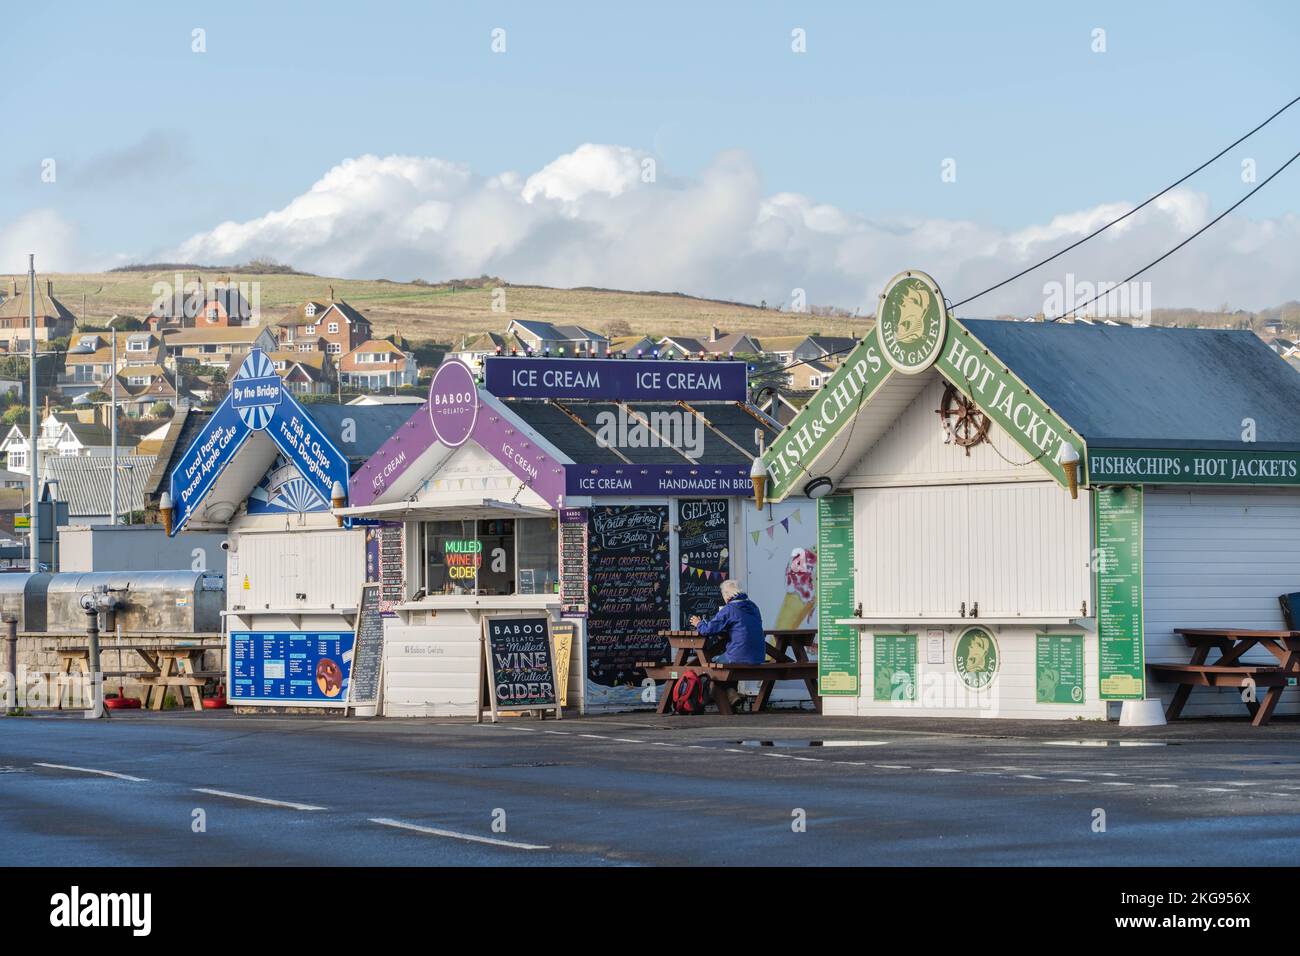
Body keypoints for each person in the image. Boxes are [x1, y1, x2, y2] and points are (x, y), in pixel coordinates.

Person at [689, 580, 766, 711]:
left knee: (715, 665)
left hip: (739, 655)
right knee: (728, 661)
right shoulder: (753, 606)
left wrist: (698, 623)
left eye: (723, 595)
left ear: (727, 595)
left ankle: (719, 697)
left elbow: (707, 630)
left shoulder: (729, 609)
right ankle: (731, 694)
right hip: (758, 656)